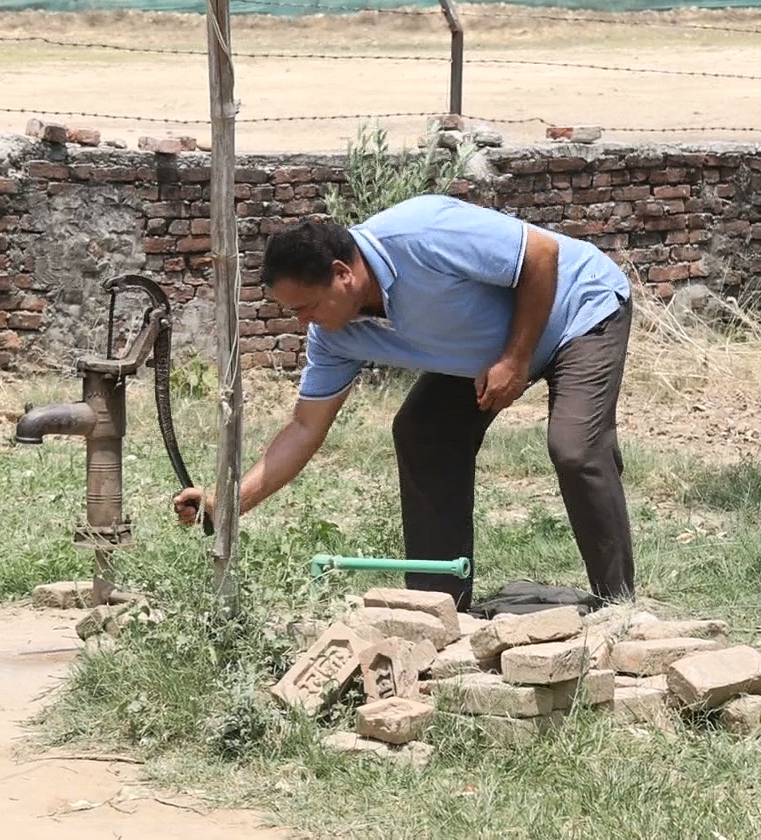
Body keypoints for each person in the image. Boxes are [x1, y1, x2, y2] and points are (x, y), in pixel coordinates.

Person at [173, 194, 635, 609]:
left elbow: (541, 253)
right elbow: (304, 428)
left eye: (306, 307)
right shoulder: (335, 337)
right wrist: (226, 503)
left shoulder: (421, 232)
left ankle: (620, 610)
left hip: (578, 308)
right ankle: (439, 610)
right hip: (483, 351)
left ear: (342, 274)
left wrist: (515, 359)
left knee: (575, 447)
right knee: (423, 431)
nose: (304, 323)